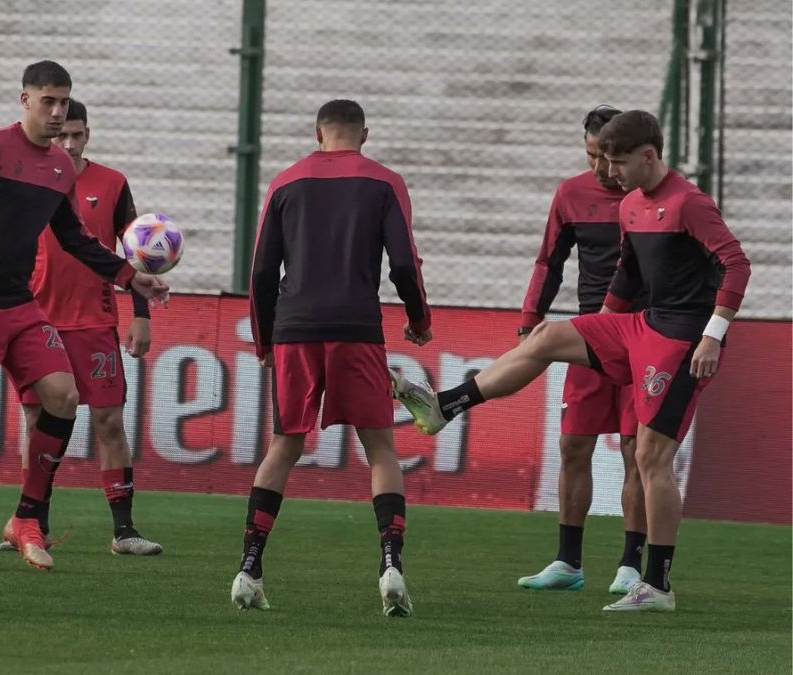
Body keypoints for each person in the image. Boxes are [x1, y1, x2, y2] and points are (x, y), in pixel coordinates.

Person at [393, 110, 750, 613]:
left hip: (682, 339)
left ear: (649, 156)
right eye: (603, 160)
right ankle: (445, 405)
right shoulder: (631, 205)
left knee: (650, 459)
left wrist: (713, 335)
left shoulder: (689, 203)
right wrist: (598, 331)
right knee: (546, 337)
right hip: (640, 326)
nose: (610, 172)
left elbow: (736, 263)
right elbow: (627, 274)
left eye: (618, 162)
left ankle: (657, 585)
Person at [0, 61, 169, 572]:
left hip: (18, 303)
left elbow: (75, 238)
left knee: (64, 396)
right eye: (48, 101)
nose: (56, 112)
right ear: (25, 100)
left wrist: (130, 277)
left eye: (63, 102)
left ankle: (28, 517)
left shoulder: (59, 168)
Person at [231, 99, 432, 617]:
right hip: (357, 328)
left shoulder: (285, 182)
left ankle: (249, 568)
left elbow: (260, 272)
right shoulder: (385, 182)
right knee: (380, 449)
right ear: (364, 134)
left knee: (284, 446)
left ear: (317, 133)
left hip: (294, 329)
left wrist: (264, 341)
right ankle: (391, 567)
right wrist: (419, 318)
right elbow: (404, 262)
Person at [0, 100, 163, 556]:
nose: (69, 143)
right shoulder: (28, 178)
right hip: (36, 321)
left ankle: (124, 531)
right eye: (62, 135)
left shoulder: (112, 183)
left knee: (109, 421)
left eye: (77, 135)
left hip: (94, 322)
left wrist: (141, 315)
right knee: (35, 421)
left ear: (88, 135)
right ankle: (32, 524)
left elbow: (135, 253)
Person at [515, 106, 647, 595]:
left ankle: (631, 564)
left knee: (638, 451)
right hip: (591, 337)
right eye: (590, 155)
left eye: (605, 156)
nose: (599, 167)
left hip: (646, 335)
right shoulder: (571, 194)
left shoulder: (653, 194)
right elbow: (548, 262)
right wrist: (530, 321)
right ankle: (568, 562)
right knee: (573, 445)